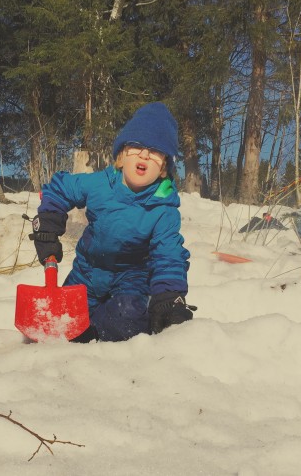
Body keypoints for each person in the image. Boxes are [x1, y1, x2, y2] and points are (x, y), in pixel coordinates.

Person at [31, 102, 193, 343]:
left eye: (156, 151)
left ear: (163, 167)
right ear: (122, 154)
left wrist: (169, 297)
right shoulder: (100, 184)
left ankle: (94, 334)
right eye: (137, 146)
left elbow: (168, 254)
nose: (145, 154)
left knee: (129, 319)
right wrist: (48, 221)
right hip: (86, 272)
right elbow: (61, 188)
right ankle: (79, 329)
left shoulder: (164, 208)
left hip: (132, 278)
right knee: (61, 318)